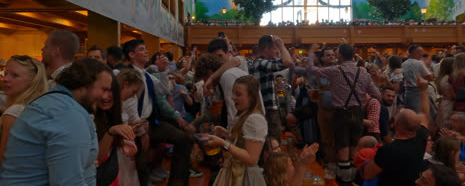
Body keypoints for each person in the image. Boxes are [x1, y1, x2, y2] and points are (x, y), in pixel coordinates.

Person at [0, 58, 113, 185]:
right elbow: (68, 181)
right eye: (103, 89)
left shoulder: (52, 103)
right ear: (85, 84)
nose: (105, 97)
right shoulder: (67, 113)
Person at [306, 43, 381, 184]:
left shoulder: (336, 70)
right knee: (354, 150)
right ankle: (355, 181)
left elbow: (310, 68)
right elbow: (376, 95)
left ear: (340, 55)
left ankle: (344, 182)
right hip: (358, 113)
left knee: (343, 149)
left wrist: (311, 52)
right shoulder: (363, 73)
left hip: (342, 113)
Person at [122, 39, 194, 186]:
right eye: (142, 49)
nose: (146, 51)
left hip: (151, 123)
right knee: (140, 164)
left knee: (183, 139)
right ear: (131, 55)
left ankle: (177, 182)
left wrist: (162, 70)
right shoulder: (128, 75)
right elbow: (130, 108)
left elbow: (163, 90)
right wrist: (141, 132)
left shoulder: (146, 75)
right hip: (134, 128)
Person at [363, 78, 431, 186]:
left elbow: (368, 174)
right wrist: (423, 90)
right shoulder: (420, 139)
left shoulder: (387, 150)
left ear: (396, 124)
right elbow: (425, 116)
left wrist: (365, 159)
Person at [206, 75, 267, 185]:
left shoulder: (255, 119)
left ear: (252, 97)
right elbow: (242, 140)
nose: (233, 97)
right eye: (233, 93)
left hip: (244, 175)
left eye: (238, 94)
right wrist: (225, 133)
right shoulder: (245, 112)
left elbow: (252, 159)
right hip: (236, 170)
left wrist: (223, 143)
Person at [0, 56, 48, 167]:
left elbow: (4, 159)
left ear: (33, 81)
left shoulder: (14, 112)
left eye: (15, 75)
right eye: (6, 73)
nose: (6, 79)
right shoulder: (38, 108)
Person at [249, 35, 293, 141]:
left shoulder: (259, 63)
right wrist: (281, 45)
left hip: (265, 110)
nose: (277, 52)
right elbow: (288, 62)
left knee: (270, 142)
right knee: (274, 143)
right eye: (274, 48)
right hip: (268, 111)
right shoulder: (261, 62)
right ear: (266, 49)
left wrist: (274, 87)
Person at [402, 45, 433, 113]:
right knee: (420, 114)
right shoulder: (419, 63)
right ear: (414, 52)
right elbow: (430, 77)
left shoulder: (404, 63)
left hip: (407, 92)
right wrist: (427, 65)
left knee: (410, 113)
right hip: (418, 91)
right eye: (420, 52)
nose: (422, 54)